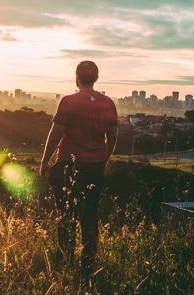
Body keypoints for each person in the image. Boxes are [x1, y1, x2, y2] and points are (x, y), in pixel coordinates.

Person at [39, 60, 118, 275]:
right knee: (89, 215)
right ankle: (88, 266)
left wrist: (45, 161)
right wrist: (104, 161)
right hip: (94, 168)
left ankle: (63, 264)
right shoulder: (107, 103)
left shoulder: (68, 101)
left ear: (76, 77)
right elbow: (112, 138)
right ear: (97, 78)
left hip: (68, 167)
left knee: (66, 216)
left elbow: (55, 134)